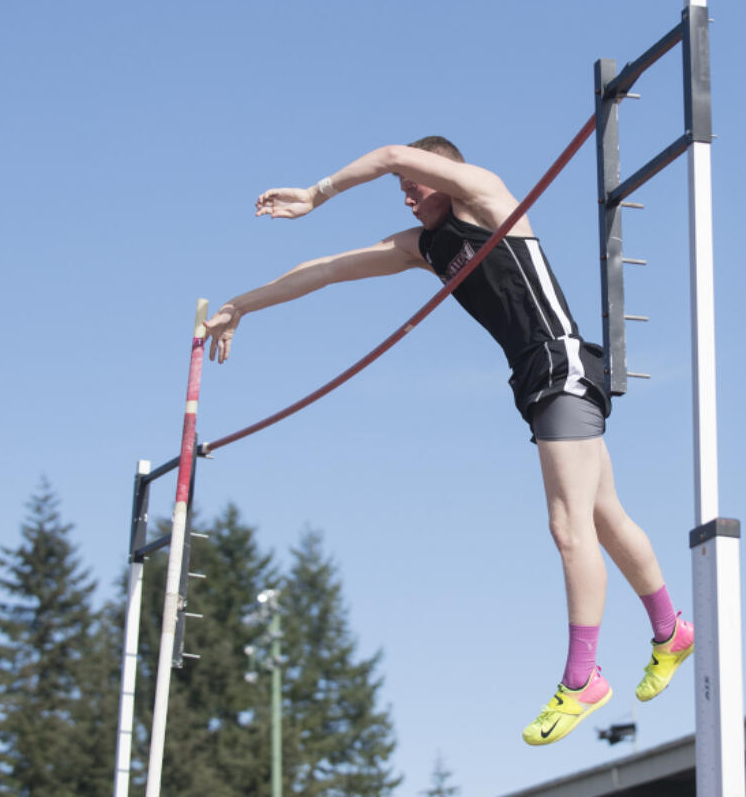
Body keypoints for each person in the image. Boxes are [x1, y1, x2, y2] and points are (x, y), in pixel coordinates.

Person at [203, 136, 693, 745]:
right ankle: (671, 630)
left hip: (558, 364)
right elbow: (327, 271)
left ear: (445, 171)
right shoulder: (427, 248)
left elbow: (388, 153)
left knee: (570, 528)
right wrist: (240, 305)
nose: (407, 199)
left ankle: (583, 677)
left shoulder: (486, 198)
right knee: (603, 514)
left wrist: (316, 193)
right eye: (402, 193)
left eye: (414, 185)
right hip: (537, 377)